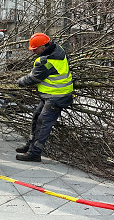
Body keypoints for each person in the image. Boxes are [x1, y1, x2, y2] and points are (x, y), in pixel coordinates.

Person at [15, 33, 73, 162]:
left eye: (35, 49)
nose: (33, 51)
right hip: (50, 94)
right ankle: (30, 145)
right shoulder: (59, 50)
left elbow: (33, 78)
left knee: (43, 123)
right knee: (36, 117)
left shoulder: (46, 61)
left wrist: (18, 82)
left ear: (43, 47)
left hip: (57, 96)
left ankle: (35, 153)